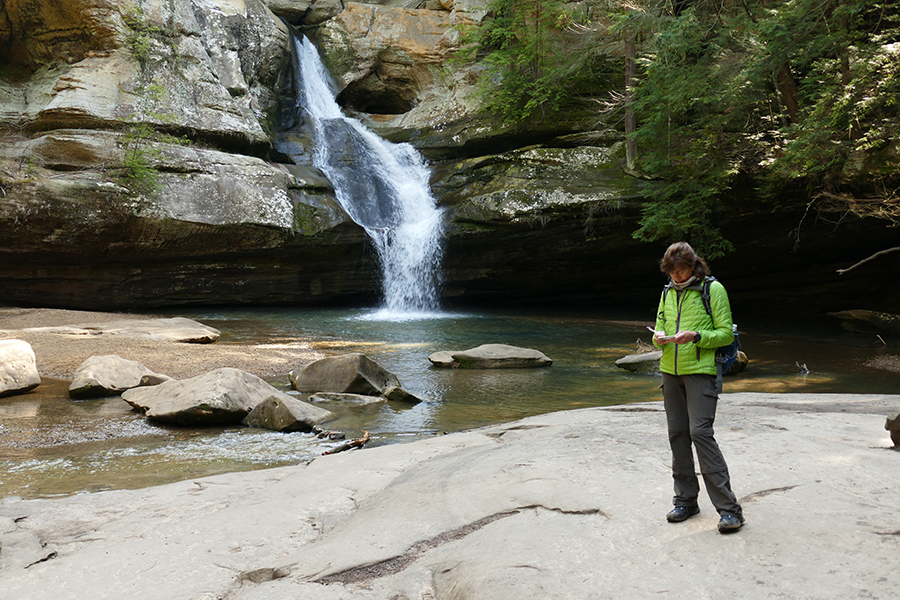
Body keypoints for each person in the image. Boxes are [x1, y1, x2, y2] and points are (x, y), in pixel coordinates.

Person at [652, 242, 745, 533]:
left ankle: (730, 510)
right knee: (677, 434)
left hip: (701, 372)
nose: (677, 277)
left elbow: (724, 333)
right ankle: (685, 501)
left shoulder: (712, 290)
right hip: (670, 371)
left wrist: (695, 336)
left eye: (681, 270)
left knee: (700, 433)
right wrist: (660, 338)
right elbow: (659, 325)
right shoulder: (667, 291)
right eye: (672, 272)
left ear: (694, 265)